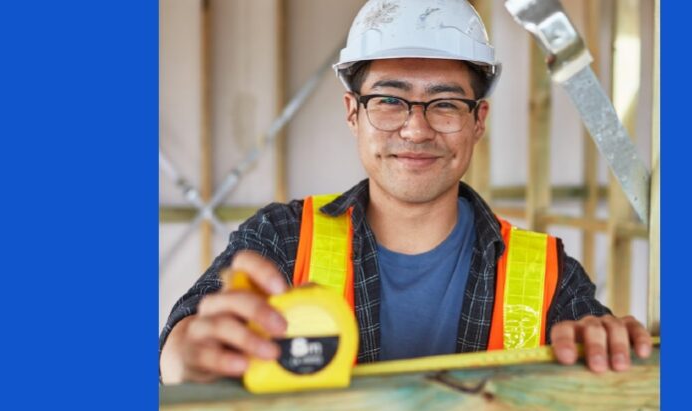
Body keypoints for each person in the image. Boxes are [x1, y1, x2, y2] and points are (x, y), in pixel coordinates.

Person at [159, 0, 653, 384]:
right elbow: (179, 345)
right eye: (390, 100)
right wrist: (191, 356)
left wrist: (604, 350)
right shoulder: (283, 238)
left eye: (445, 104)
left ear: (477, 120)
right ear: (353, 112)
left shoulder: (547, 271)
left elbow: (602, 368)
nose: (416, 130)